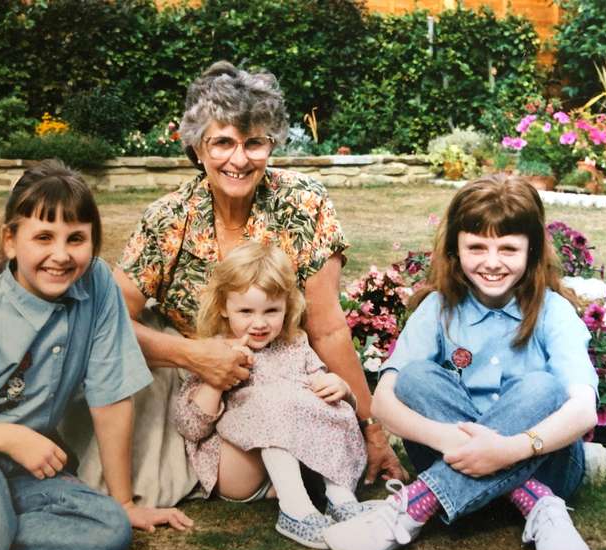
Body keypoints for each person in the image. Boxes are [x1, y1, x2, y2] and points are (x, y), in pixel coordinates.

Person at [67, 60, 405, 508]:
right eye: (223, 142)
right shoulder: (168, 219)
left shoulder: (304, 204)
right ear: (198, 147)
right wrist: (193, 355)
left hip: (288, 369)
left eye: (254, 143)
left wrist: (372, 431)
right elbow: (106, 318)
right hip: (200, 388)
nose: (239, 159)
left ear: (272, 143)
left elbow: (327, 329)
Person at [0, 160, 190, 550]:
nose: (60, 255)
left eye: (76, 239)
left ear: (93, 242)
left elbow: (109, 396)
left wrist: (125, 502)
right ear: (10, 241)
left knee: (109, 528)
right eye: (43, 237)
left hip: (21, 466)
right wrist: (9, 438)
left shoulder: (97, 285)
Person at [322, 174, 598, 550]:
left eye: (508, 248)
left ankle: (416, 504)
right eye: (477, 247)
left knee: (544, 388)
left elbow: (583, 410)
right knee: (415, 378)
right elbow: (383, 402)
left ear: (532, 250)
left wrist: (507, 449)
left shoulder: (554, 312)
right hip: (452, 454)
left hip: (546, 464)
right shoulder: (438, 309)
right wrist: (456, 443)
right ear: (455, 247)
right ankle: (533, 500)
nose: (491, 262)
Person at [174, 242, 367, 549]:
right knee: (270, 401)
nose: (260, 323)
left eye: (272, 311)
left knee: (329, 401)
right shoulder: (215, 351)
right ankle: (295, 512)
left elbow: (321, 388)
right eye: (246, 311)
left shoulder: (295, 343)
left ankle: (339, 497)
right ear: (224, 307)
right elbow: (192, 428)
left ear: (287, 307)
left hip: (294, 464)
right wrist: (215, 382)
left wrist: (340, 388)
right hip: (238, 470)